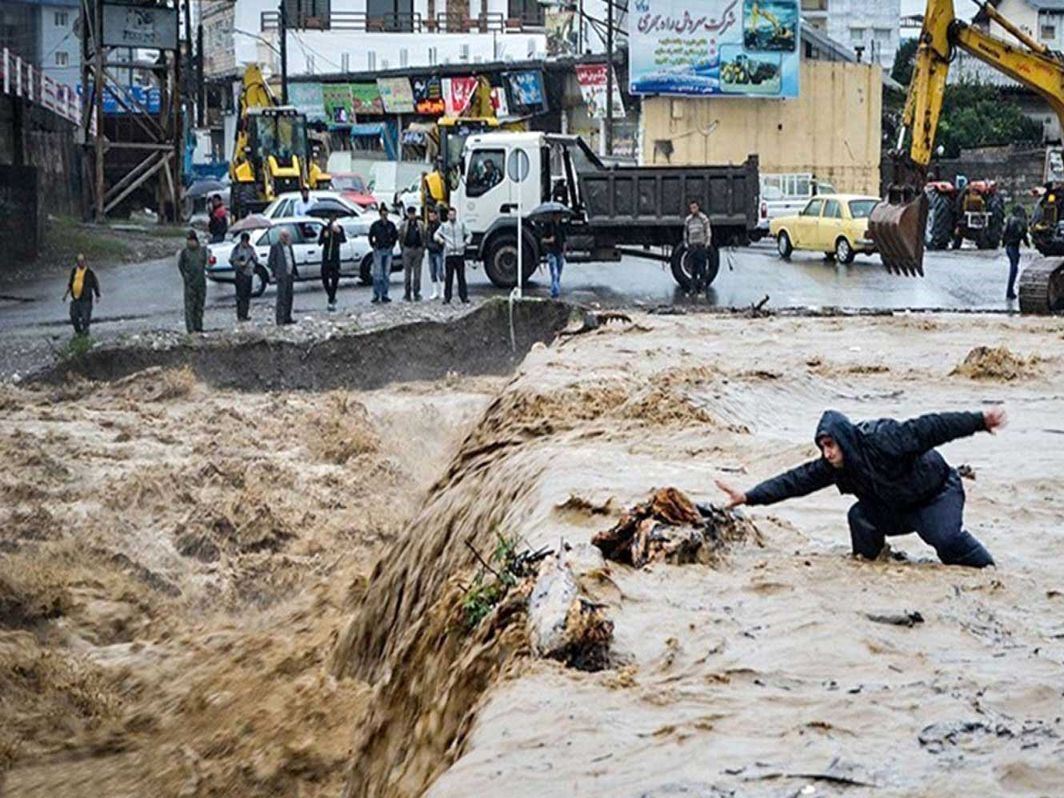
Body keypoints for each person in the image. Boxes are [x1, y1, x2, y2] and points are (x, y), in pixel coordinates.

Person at [715, 408, 1005, 569]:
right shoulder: (834, 466)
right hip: (896, 507)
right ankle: (873, 565)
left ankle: (988, 572)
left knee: (943, 539)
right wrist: (748, 496)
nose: (826, 453)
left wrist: (978, 421)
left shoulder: (885, 438)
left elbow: (931, 427)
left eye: (830, 445)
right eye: (822, 447)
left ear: (844, 439)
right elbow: (794, 481)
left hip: (937, 494)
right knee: (860, 516)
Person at [435, 205, 470, 304]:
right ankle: (447, 297)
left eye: (453, 214)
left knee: (461, 277)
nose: (452, 216)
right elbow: (436, 235)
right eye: (450, 215)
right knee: (449, 278)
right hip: (449, 254)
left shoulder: (461, 225)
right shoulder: (444, 226)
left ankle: (464, 297)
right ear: (447, 216)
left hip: (459, 254)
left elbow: (469, 234)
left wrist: (466, 243)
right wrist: (442, 241)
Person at [62, 253, 100, 336]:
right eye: (79, 261)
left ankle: (86, 333)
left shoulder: (89, 272)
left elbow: (95, 284)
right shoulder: (74, 271)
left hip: (86, 299)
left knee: (85, 318)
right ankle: (78, 332)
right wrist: (65, 295)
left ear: (85, 262)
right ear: (77, 262)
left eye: (82, 261)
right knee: (73, 316)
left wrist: (97, 295)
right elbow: (71, 283)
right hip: (76, 299)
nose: (81, 263)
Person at [177, 230, 208, 333]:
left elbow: (205, 263)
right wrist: (185, 276)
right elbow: (181, 266)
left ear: (195, 240)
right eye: (188, 240)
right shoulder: (185, 253)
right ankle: (191, 329)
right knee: (190, 307)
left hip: (201, 283)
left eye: (191, 240)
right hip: (190, 284)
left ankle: (199, 326)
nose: (189, 243)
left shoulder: (202, 251)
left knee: (199, 306)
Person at [368, 204, 398, 304]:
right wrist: (373, 245)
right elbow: (370, 236)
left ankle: (385, 294)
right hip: (378, 250)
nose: (384, 216)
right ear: (380, 215)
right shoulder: (375, 225)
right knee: (377, 274)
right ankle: (376, 295)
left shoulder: (391, 225)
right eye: (383, 214)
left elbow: (395, 236)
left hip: (388, 250)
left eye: (386, 214)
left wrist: (392, 245)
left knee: (386, 274)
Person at [268, 227, 298, 325]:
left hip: (290, 274)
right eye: (284, 236)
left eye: (287, 236)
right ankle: (280, 319)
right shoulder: (275, 247)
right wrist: (276, 271)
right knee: (281, 298)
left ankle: (287, 317)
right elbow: (271, 261)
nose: (286, 238)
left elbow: (291, 258)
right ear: (280, 237)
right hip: (281, 275)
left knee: (289, 297)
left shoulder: (289, 246)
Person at [229, 231, 260, 321]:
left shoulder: (251, 249)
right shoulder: (236, 249)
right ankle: (240, 315)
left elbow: (256, 259)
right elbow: (232, 261)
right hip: (240, 274)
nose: (245, 243)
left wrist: (252, 258)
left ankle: (245, 314)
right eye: (244, 242)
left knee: (247, 295)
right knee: (240, 296)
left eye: (247, 242)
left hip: (249, 274)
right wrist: (240, 263)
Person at [317, 216, 346, 311]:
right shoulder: (325, 229)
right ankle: (331, 296)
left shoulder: (340, 228)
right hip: (326, 257)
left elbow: (343, 240)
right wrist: (324, 236)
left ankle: (331, 299)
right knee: (324, 278)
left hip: (335, 257)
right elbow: (319, 242)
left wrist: (338, 232)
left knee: (335, 279)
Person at [683, 199, 712, 295]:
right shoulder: (688, 220)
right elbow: (685, 233)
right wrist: (686, 244)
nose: (693, 209)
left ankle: (702, 290)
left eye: (695, 207)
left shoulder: (703, 219)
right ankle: (693, 290)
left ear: (698, 208)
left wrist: (707, 243)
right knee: (693, 269)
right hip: (692, 247)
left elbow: (708, 231)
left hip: (701, 246)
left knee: (702, 269)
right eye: (691, 208)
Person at [398, 205, 426, 301]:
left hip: (417, 249)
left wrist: (422, 249)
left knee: (417, 274)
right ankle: (407, 293)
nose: (411, 216)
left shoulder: (420, 224)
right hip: (407, 249)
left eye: (413, 214)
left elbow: (424, 237)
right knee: (407, 274)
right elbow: (400, 237)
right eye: (410, 214)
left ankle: (416, 292)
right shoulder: (404, 225)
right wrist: (403, 249)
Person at [1002, 205, 1029, 300]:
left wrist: (1003, 242)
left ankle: (1010, 291)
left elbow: (1005, 232)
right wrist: (1027, 243)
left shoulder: (1010, 219)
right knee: (1014, 269)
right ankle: (1009, 291)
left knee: (1013, 268)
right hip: (1014, 246)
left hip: (1008, 247)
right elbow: (1023, 233)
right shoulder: (1021, 221)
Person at [542, 211, 567, 299]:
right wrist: (549, 240)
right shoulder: (548, 226)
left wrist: (564, 251)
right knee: (554, 273)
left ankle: (555, 289)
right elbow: (542, 240)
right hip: (551, 252)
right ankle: (555, 293)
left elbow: (564, 240)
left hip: (559, 252)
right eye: (556, 216)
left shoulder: (561, 226)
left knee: (558, 273)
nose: (558, 217)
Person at [425, 205, 445, 300]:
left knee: (440, 271)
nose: (431, 218)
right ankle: (435, 291)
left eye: (433, 216)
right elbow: (426, 238)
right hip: (430, 252)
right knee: (432, 272)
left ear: (436, 216)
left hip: (438, 251)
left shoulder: (440, 226)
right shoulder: (428, 226)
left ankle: (442, 291)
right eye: (430, 216)